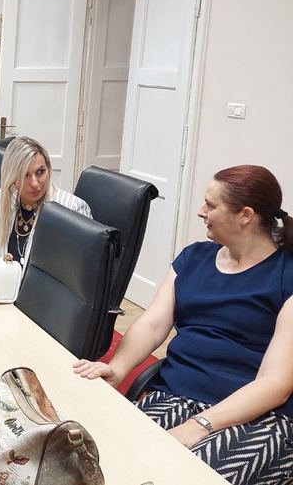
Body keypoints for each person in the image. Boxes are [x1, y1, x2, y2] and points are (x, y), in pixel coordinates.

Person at [74, 165, 293, 485]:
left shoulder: (285, 277)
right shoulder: (194, 259)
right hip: (176, 394)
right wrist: (118, 368)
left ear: (245, 215)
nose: (201, 211)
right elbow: (152, 325)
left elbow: (275, 384)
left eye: (211, 205)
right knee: (105, 459)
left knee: (181, 477)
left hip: (257, 416)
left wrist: (199, 425)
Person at [0, 136, 90, 262]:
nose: (35, 183)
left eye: (40, 172)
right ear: (12, 178)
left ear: (48, 169)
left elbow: (82, 267)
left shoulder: (72, 209)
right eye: (25, 175)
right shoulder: (2, 198)